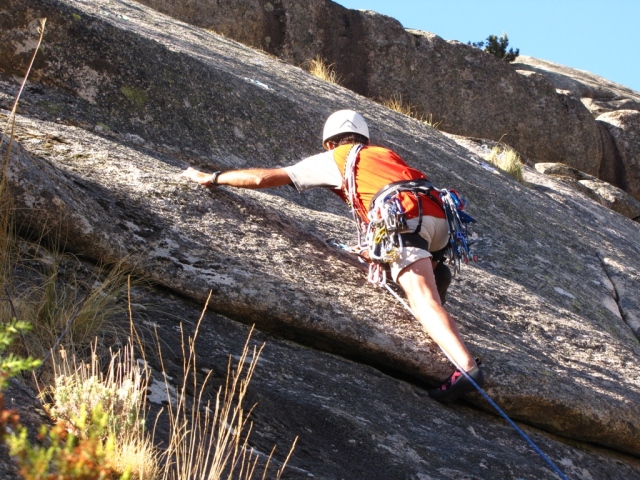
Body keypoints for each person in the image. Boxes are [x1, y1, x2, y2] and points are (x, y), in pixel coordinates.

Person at [181, 110, 484, 402]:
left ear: (329, 143)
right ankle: (432, 268)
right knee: (417, 272)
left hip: (404, 216)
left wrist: (215, 177)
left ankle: (466, 368)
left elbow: (266, 178)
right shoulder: (382, 154)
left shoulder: (336, 157)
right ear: (363, 138)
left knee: (422, 299)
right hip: (439, 217)